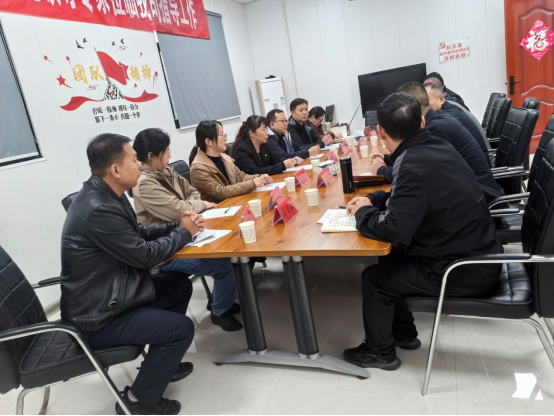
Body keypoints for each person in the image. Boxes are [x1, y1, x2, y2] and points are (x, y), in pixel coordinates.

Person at [343, 93, 502, 371]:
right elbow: (413, 198)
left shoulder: (410, 164)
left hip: (462, 270)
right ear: (422, 121)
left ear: (381, 132)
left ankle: (380, 353)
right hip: (481, 252)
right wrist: (373, 200)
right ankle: (403, 333)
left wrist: (362, 213)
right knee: (391, 258)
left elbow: (394, 229)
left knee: (374, 279)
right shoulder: (437, 145)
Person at [61, 133, 206, 415]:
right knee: (181, 329)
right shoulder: (98, 208)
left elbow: (137, 233)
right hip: (99, 317)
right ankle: (138, 400)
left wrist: (176, 226)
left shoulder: (107, 193)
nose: (139, 164)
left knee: (177, 286)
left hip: (115, 294)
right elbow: (145, 256)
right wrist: (184, 233)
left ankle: (161, 364)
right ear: (116, 169)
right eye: (134, 159)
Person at [129, 128, 243, 332]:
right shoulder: (143, 184)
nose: (170, 155)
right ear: (151, 156)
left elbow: (192, 192)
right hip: (167, 251)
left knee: (230, 248)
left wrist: (191, 205)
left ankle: (220, 300)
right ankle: (219, 311)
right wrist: (197, 205)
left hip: (188, 234)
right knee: (223, 266)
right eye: (166, 151)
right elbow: (177, 210)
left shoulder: (166, 170)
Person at [370, 81, 502, 204]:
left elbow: (415, 175)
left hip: (479, 199)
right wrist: (387, 158)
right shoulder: (437, 119)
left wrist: (381, 170)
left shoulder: (435, 130)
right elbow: (416, 163)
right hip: (467, 191)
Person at [190, 120, 273, 203]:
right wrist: (252, 184)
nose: (226, 139)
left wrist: (260, 178)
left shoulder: (225, 158)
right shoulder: (198, 169)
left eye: (224, 135)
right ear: (208, 142)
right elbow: (221, 192)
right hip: (218, 208)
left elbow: (241, 177)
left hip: (234, 202)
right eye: (221, 135)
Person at [424, 82, 491, 166]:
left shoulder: (446, 119)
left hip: (478, 168)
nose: (423, 107)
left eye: (426, 102)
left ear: (441, 99)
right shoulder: (448, 109)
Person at [232, 115, 301, 176]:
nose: (268, 133)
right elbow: (255, 172)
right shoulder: (241, 150)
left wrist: (291, 161)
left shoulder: (263, 144)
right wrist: (283, 166)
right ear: (251, 133)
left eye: (267, 129)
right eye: (263, 130)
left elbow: (276, 159)